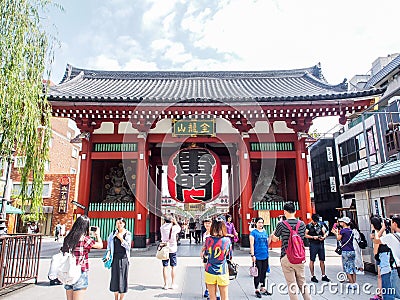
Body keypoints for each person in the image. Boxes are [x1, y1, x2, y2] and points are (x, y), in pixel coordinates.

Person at [269, 202, 310, 300]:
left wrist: (273, 233)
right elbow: (302, 237)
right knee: (302, 282)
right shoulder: (302, 224)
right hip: (299, 256)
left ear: (284, 212)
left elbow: (274, 239)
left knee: (291, 284)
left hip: (286, 256)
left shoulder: (281, 224)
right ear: (295, 211)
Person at [61, 215, 103, 300]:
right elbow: (100, 245)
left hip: (68, 271)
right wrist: (98, 235)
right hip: (80, 271)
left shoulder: (68, 238)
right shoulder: (84, 239)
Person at [203, 218, 232, 300]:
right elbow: (229, 257)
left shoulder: (208, 240)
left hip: (210, 270)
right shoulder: (227, 241)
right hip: (222, 270)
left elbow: (205, 254)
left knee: (212, 297)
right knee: (225, 297)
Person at [106, 218, 132, 300]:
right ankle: (116, 297)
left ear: (124, 224)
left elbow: (128, 247)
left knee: (123, 278)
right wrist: (108, 253)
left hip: (124, 259)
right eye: (117, 223)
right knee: (114, 278)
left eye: (121, 223)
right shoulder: (113, 233)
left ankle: (121, 298)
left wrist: (121, 238)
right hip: (115, 259)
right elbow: (109, 245)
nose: (119, 225)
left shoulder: (127, 234)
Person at [375, 214, 400, 299]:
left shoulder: (390, 237)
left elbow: (376, 240)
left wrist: (382, 229)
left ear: (395, 224)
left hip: (396, 269)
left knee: (395, 294)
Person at [370, 215, 394, 300]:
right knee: (381, 276)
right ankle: (380, 293)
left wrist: (375, 255)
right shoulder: (379, 232)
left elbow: (377, 243)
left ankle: (384, 295)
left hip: (382, 256)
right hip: (382, 256)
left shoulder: (381, 233)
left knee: (384, 275)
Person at [332, 216, 357, 289]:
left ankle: (351, 283)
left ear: (344, 223)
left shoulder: (343, 231)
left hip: (345, 251)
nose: (340, 223)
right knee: (352, 267)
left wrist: (336, 233)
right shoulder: (351, 231)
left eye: (341, 222)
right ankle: (354, 283)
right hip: (352, 250)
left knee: (347, 268)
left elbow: (338, 238)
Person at [250, 217, 272, 298]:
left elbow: (267, 243)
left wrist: (270, 237)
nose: (261, 224)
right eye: (259, 222)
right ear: (256, 223)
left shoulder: (265, 232)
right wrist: (252, 255)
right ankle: (256, 289)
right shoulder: (253, 233)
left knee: (264, 272)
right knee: (257, 273)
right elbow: (251, 244)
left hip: (265, 255)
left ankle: (263, 288)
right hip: (257, 255)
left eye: (262, 222)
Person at [305, 213, 330, 283]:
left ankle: (323, 275)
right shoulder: (309, 226)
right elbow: (305, 235)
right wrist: (313, 237)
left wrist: (324, 237)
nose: (316, 222)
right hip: (313, 244)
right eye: (315, 221)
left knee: (322, 260)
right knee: (312, 260)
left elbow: (324, 232)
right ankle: (313, 276)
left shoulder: (320, 225)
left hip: (320, 243)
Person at [160, 215, 181, 290]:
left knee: (165, 266)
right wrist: (175, 222)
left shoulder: (162, 227)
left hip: (164, 248)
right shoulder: (174, 228)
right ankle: (173, 284)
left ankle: (165, 284)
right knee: (173, 266)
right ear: (172, 220)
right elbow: (179, 228)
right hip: (173, 249)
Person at [200, 218, 213, 299]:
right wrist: (202, 251)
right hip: (206, 254)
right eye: (205, 223)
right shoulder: (205, 233)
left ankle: (213, 291)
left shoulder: (213, 233)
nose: (207, 225)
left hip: (213, 255)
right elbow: (204, 245)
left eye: (208, 223)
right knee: (207, 272)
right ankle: (207, 289)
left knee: (213, 273)